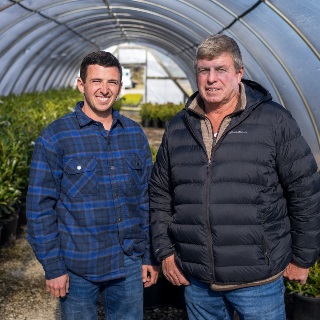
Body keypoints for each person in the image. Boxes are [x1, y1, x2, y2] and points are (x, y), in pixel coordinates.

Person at [149, 34, 320, 320]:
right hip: (199, 279)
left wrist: (303, 258)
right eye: (204, 70)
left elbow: (304, 190)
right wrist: (165, 252)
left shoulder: (273, 121)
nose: (211, 79)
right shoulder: (179, 126)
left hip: (258, 281)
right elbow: (160, 193)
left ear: (239, 73)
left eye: (221, 69)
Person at [26, 51, 159, 320]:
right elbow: (40, 208)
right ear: (81, 84)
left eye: (112, 82)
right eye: (96, 81)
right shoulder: (56, 137)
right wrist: (53, 267)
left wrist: (149, 256)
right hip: (78, 265)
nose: (104, 89)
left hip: (128, 262)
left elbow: (146, 201)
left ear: (120, 88)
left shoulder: (134, 134)